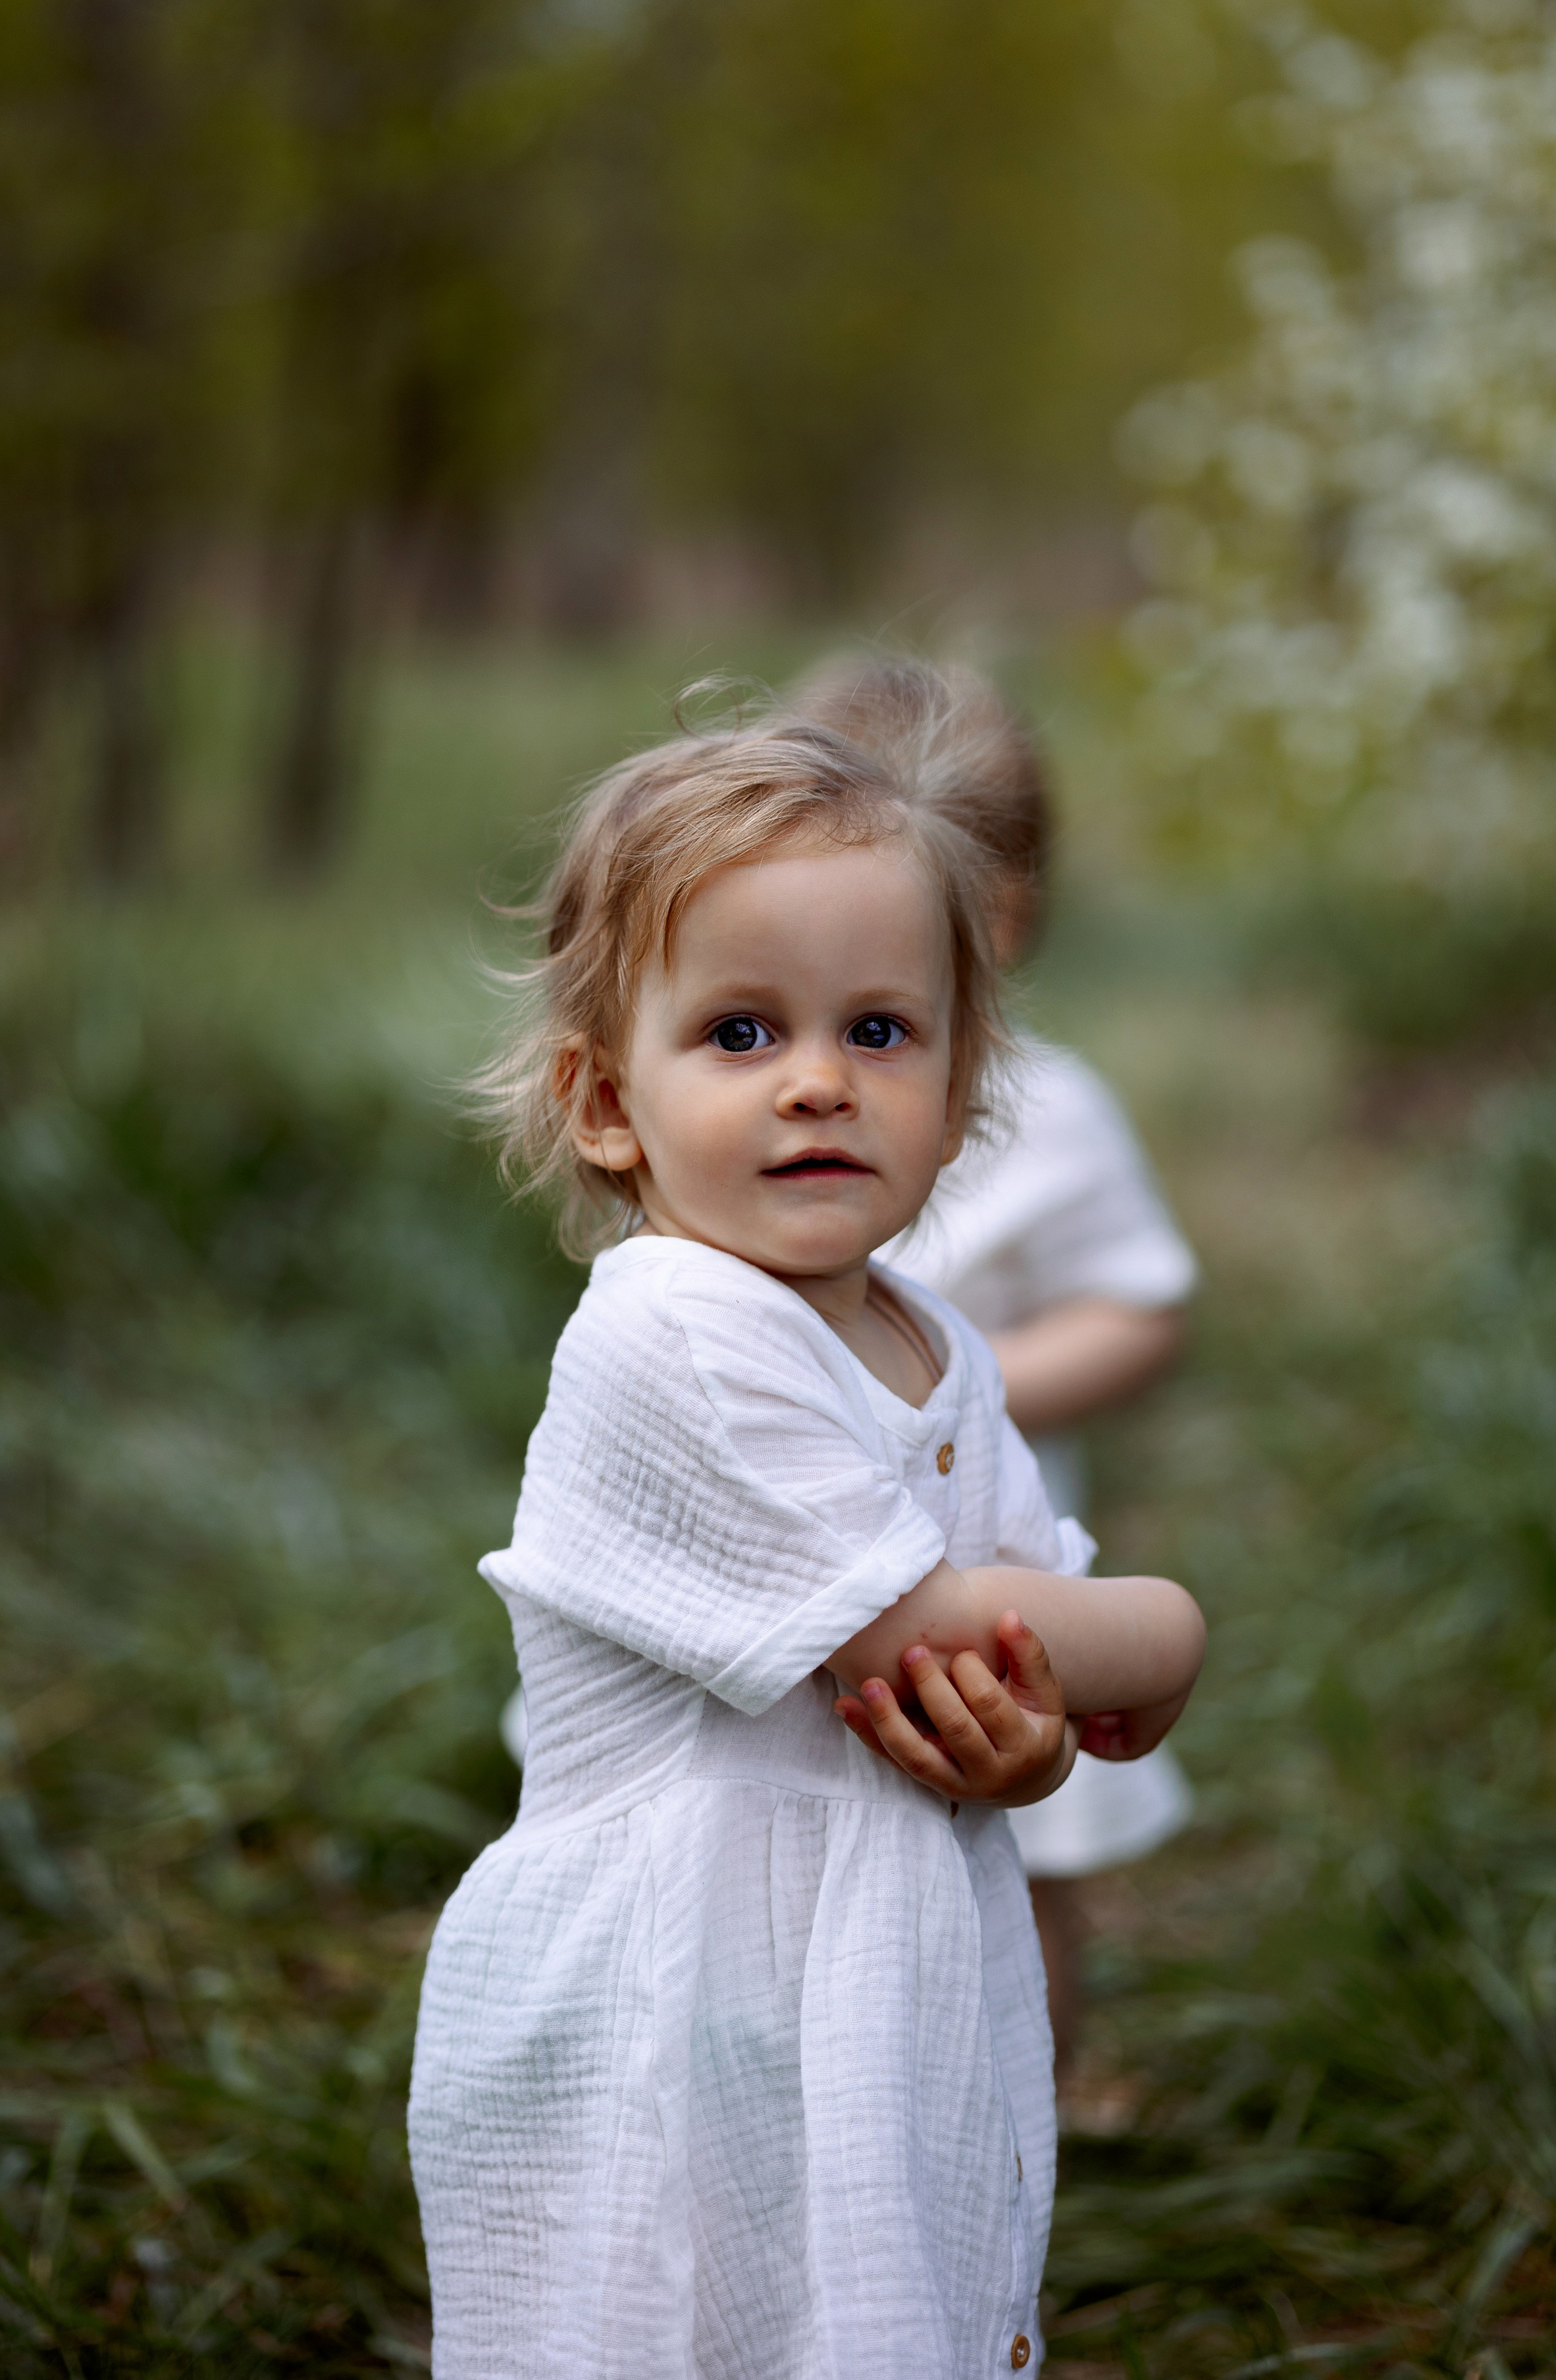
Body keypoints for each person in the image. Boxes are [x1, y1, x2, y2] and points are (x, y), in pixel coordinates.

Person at [409, 717, 1206, 2376]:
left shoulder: (934, 1346)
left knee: (871, 2299)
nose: (818, 1077)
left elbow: (1002, 1677)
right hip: (668, 1995)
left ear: (959, 1096)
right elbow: (950, 1626)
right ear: (605, 1102)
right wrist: (1164, 1629)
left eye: (879, 1029)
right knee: (683, 2313)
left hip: (868, 1961)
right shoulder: (675, 1330)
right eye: (742, 1029)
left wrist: (1024, 1747)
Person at [777, 654, 1198, 2071]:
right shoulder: (746, 1103)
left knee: (1015, 1874)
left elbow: (1138, 1305)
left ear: (994, 912)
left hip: (990, 1576)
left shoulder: (1048, 1113)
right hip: (785, 1586)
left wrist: (964, 1382)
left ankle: (1026, 2125)